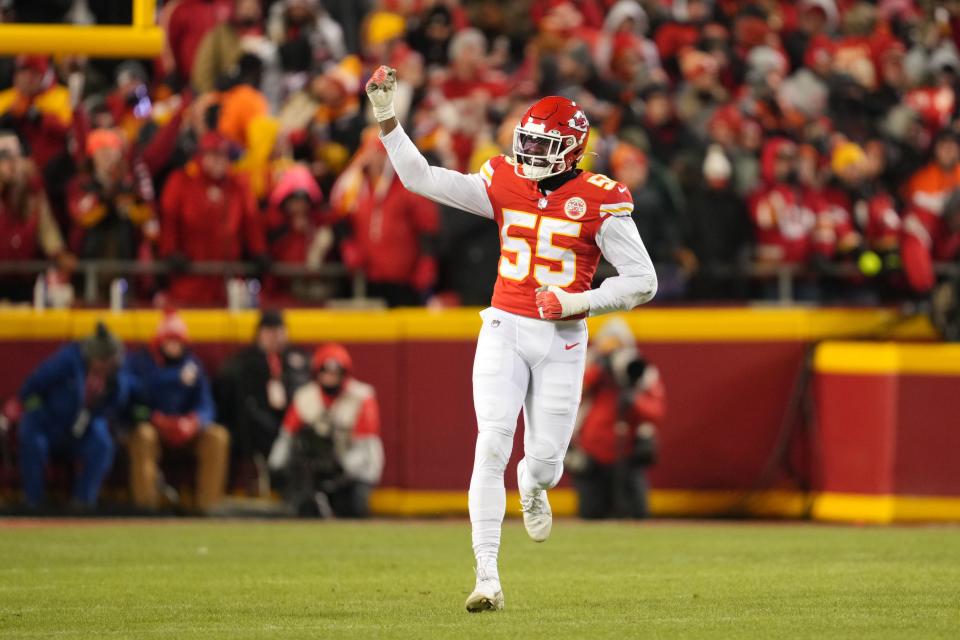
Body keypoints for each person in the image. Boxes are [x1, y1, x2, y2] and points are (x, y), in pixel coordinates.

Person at [365, 66, 658, 611]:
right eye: (525, 140)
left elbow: (644, 281)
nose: (527, 152)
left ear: (571, 152)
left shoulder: (600, 198)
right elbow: (422, 178)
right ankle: (486, 576)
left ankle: (534, 482)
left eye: (542, 144)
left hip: (564, 336)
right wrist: (388, 120)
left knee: (546, 461)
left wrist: (577, 300)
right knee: (491, 441)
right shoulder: (504, 181)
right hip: (503, 323)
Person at [14, 323, 129, 510]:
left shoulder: (113, 375)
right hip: (50, 424)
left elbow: (117, 402)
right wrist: (31, 410)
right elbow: (32, 387)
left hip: (83, 428)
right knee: (32, 439)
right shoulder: (66, 361)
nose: (107, 367)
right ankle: (33, 502)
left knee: (102, 444)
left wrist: (113, 388)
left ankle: (83, 503)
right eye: (104, 363)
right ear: (94, 357)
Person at [125, 311, 230, 513]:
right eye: (169, 341)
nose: (174, 346)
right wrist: (156, 418)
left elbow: (207, 406)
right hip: (154, 426)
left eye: (178, 341)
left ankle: (207, 507)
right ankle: (147, 508)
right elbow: (132, 402)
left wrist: (194, 421)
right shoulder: (140, 363)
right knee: (143, 435)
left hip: (185, 429)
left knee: (217, 436)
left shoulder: (192, 365)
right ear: (158, 341)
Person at [267, 343, 383, 518]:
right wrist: (275, 466)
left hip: (352, 469)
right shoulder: (305, 397)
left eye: (335, 372)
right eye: (325, 371)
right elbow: (287, 436)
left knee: (353, 509)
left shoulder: (362, 397)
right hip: (317, 469)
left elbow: (365, 448)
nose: (330, 377)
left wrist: (340, 468)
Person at [568, 318, 666, 519]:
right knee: (591, 512)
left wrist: (633, 399)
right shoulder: (588, 366)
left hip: (628, 453)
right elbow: (573, 397)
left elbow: (656, 411)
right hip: (590, 453)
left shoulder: (641, 370)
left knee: (636, 513)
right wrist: (597, 371)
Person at [159, 131, 268, 305]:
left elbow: (251, 221)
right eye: (213, 155)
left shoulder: (237, 186)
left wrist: (259, 251)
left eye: (223, 156)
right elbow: (169, 220)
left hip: (228, 281)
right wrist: (170, 252)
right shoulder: (182, 182)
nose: (219, 161)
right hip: (191, 279)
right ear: (201, 156)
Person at [214, 309, 310, 494]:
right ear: (260, 334)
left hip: (292, 423)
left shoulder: (297, 359)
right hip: (256, 427)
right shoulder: (245, 362)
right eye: (270, 332)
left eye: (279, 331)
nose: (276, 337)